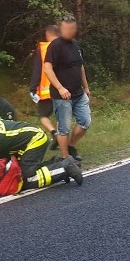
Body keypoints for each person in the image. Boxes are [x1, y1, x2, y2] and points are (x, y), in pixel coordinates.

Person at [0, 118, 82, 189]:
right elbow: (0, 159)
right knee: (16, 171)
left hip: (33, 140)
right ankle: (59, 162)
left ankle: (64, 168)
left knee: (27, 178)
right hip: (28, 138)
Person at [43, 15, 91, 162]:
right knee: (64, 128)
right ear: (61, 28)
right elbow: (47, 68)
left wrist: (86, 87)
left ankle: (71, 146)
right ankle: (66, 159)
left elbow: (80, 66)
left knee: (85, 121)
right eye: (66, 28)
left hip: (78, 93)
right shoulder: (55, 46)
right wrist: (60, 88)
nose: (70, 31)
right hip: (62, 96)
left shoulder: (76, 45)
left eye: (72, 28)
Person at [30, 24, 60, 145]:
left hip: (46, 89)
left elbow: (38, 70)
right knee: (61, 114)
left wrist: (33, 88)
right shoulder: (66, 46)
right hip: (62, 88)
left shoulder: (43, 49)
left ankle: (54, 133)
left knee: (43, 115)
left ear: (48, 34)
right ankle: (61, 136)